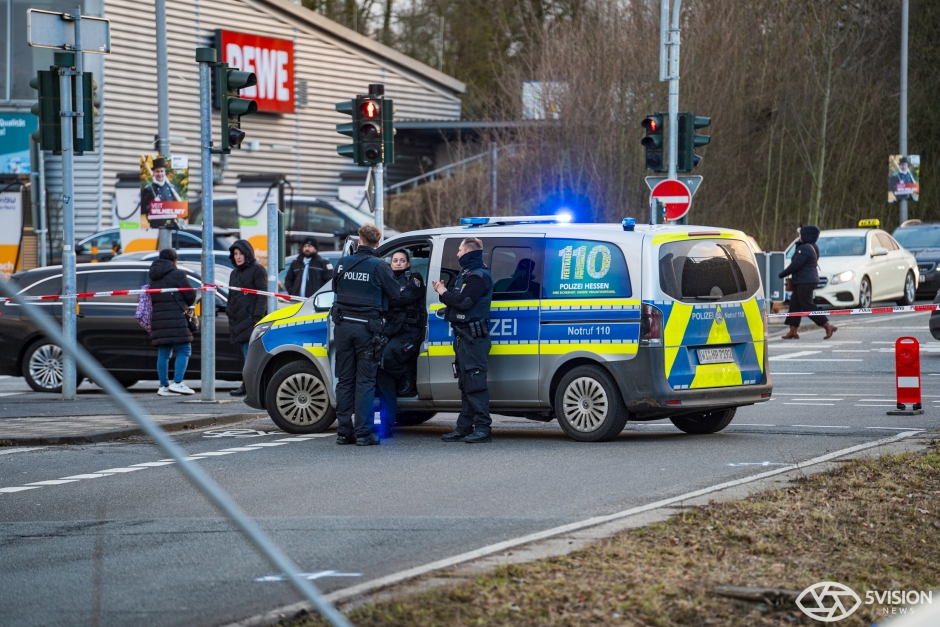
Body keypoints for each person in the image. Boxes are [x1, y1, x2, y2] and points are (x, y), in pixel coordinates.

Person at [332, 224, 400, 446]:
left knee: (345, 380)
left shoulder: (343, 263)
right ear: (378, 243)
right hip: (367, 331)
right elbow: (395, 295)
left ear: (359, 241)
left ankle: (344, 432)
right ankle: (363, 433)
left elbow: (335, 289)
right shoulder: (380, 266)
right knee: (365, 382)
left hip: (343, 328)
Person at [431, 237, 494, 443]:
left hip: (473, 338)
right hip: (463, 337)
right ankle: (464, 427)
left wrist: (443, 292)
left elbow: (464, 302)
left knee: (475, 384)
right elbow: (456, 300)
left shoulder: (478, 276)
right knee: (466, 385)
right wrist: (444, 293)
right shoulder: (466, 275)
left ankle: (483, 429)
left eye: (459, 250)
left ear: (467, 252)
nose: (457, 254)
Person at [375, 250, 427, 435]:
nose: (398, 263)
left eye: (402, 260)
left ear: (408, 264)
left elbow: (406, 296)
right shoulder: (387, 279)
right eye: (395, 260)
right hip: (392, 331)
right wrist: (397, 294)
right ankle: (387, 420)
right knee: (381, 368)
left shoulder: (415, 277)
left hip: (410, 331)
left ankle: (407, 375)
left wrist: (393, 295)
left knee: (388, 356)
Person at [148, 249, 196, 396]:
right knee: (184, 350)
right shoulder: (178, 274)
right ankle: (177, 383)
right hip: (176, 319)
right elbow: (190, 296)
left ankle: (163, 386)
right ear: (174, 261)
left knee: (163, 353)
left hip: (159, 320)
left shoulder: (154, 277)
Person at [779, 225, 837, 340]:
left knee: (807, 305)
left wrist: (781, 274)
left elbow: (795, 265)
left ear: (806, 235)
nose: (799, 236)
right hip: (805, 280)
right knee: (795, 304)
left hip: (805, 281)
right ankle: (793, 330)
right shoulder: (812, 247)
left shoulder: (804, 248)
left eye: (800, 234)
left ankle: (827, 325)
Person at [227, 239, 268, 396]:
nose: (238, 257)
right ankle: (247, 385)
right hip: (238, 320)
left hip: (251, 320)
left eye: (241, 253)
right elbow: (231, 296)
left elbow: (262, 295)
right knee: (246, 355)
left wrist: (257, 316)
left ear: (247, 254)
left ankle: (249, 387)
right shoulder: (234, 273)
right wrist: (230, 312)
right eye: (235, 254)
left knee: (249, 355)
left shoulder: (257, 270)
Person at [140, 157, 182, 221]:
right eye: (157, 171)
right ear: (153, 173)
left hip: (172, 223)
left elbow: (179, 208)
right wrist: (153, 205)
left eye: (162, 171)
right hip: (156, 224)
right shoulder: (148, 189)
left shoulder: (172, 188)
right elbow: (142, 210)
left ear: (165, 172)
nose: (160, 174)